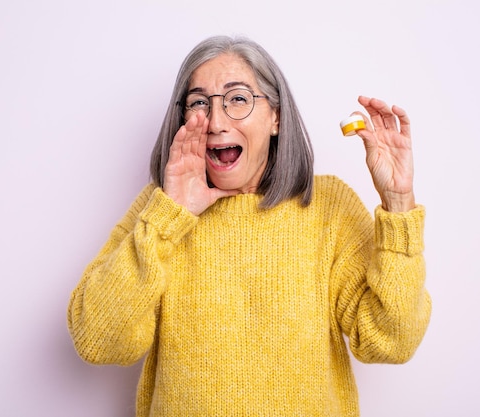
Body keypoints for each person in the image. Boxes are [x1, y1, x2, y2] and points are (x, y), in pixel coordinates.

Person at [67, 35, 431, 417]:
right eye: (199, 103)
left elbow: (391, 341)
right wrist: (169, 217)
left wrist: (398, 202)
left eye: (238, 99)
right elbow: (98, 341)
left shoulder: (327, 207)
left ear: (275, 117)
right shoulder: (160, 211)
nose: (217, 122)